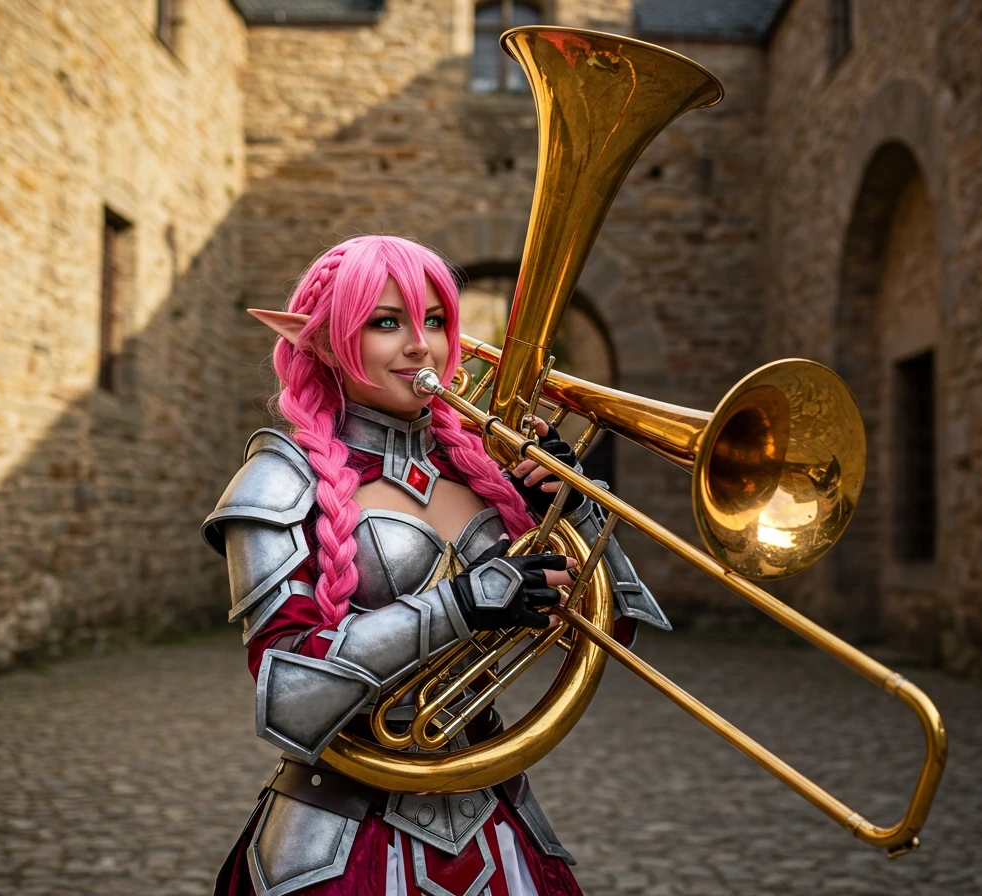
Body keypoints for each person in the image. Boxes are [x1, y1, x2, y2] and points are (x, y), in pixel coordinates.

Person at [201, 235, 670, 896]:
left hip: (498, 822)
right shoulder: (279, 478)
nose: (421, 344)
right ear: (328, 342)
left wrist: (576, 506)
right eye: (386, 322)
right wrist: (462, 605)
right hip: (335, 838)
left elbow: (614, 635)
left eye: (436, 321)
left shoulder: (485, 469)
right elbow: (286, 699)